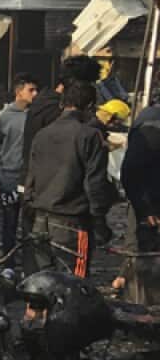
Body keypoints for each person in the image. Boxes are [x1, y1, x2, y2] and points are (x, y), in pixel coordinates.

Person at [25, 81, 114, 277]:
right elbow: (95, 184)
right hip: (72, 222)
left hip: (41, 220)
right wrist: (100, 222)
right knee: (75, 283)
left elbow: (31, 177)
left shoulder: (42, 134)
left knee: (43, 282)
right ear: (90, 107)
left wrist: (31, 208)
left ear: (62, 104)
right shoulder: (90, 136)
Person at [22, 55, 100, 176]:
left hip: (37, 183)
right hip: (47, 186)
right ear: (78, 84)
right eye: (89, 84)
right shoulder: (57, 110)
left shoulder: (43, 101)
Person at [0, 74, 38, 252]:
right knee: (9, 221)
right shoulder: (4, 116)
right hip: (9, 175)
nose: (35, 93)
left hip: (30, 177)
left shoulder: (35, 116)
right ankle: (8, 262)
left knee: (29, 223)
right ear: (19, 92)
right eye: (30, 90)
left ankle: (28, 262)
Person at [121, 103, 160, 254]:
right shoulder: (152, 127)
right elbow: (130, 171)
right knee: (142, 258)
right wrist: (145, 210)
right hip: (148, 202)